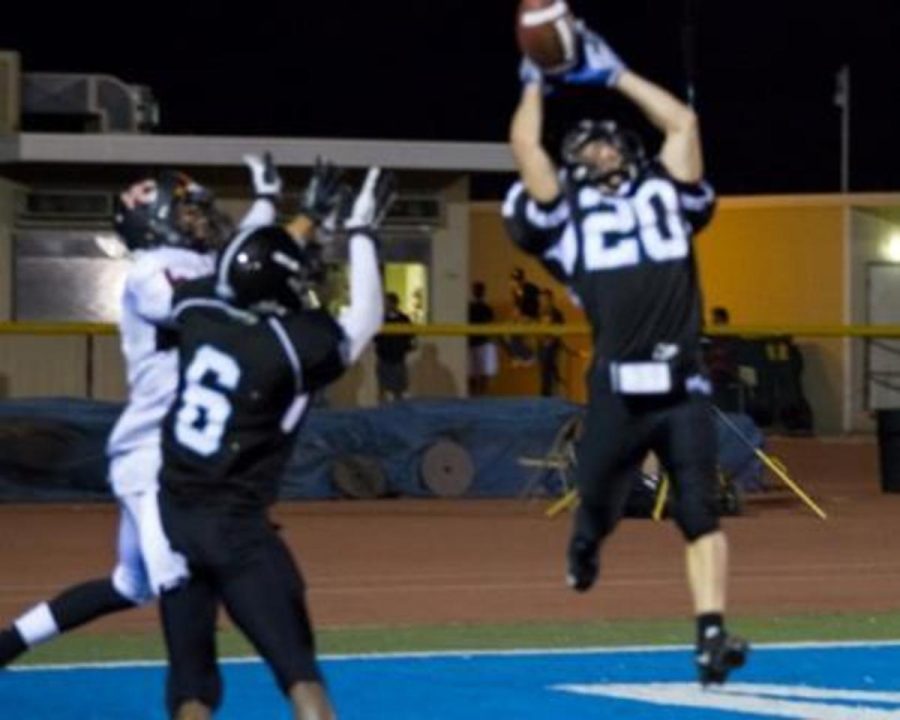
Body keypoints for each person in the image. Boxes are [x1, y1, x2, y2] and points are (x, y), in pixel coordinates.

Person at [504, 22, 748, 685]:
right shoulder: (564, 216)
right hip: (615, 383)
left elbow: (684, 125)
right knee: (602, 500)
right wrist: (535, 79)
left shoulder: (667, 193)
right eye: (592, 144)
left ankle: (710, 634)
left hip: (681, 381)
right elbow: (525, 145)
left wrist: (615, 75)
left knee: (698, 506)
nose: (607, 148)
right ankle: (586, 544)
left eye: (613, 139)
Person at [0, 155, 284, 668]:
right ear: (155, 221)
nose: (200, 218)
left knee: (131, 584)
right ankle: (192, 702)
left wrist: (265, 206)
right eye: (186, 211)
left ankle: (4, 646)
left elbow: (234, 270)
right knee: (176, 575)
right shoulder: (151, 271)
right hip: (153, 452)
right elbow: (207, 297)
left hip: (188, 453)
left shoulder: (197, 263)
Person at [156, 167, 395, 720]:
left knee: (191, 684)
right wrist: (360, 232)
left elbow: (247, 261)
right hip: (236, 526)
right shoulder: (288, 346)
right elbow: (365, 317)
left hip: (173, 515)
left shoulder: (199, 310)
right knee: (300, 675)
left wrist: (304, 221)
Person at [373, 292, 417, 403]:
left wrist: (405, 347)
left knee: (400, 388)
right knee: (383, 388)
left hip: (398, 358)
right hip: (384, 357)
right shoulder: (380, 319)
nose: (385, 305)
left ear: (394, 303)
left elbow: (411, 336)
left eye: (387, 302)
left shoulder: (404, 319)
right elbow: (375, 337)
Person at [468, 281, 498, 396]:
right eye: (476, 289)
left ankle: (480, 396)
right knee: (473, 373)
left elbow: (490, 323)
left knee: (482, 373)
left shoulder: (486, 308)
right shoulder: (471, 308)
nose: (478, 292)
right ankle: (476, 396)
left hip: (482, 343)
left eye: (479, 290)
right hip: (474, 343)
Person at [536, 287, 565, 397]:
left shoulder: (557, 314)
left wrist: (550, 341)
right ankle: (545, 399)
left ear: (550, 299)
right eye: (541, 299)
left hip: (553, 350)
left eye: (545, 299)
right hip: (541, 349)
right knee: (544, 376)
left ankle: (555, 398)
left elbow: (560, 331)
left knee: (553, 375)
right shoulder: (538, 314)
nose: (542, 302)